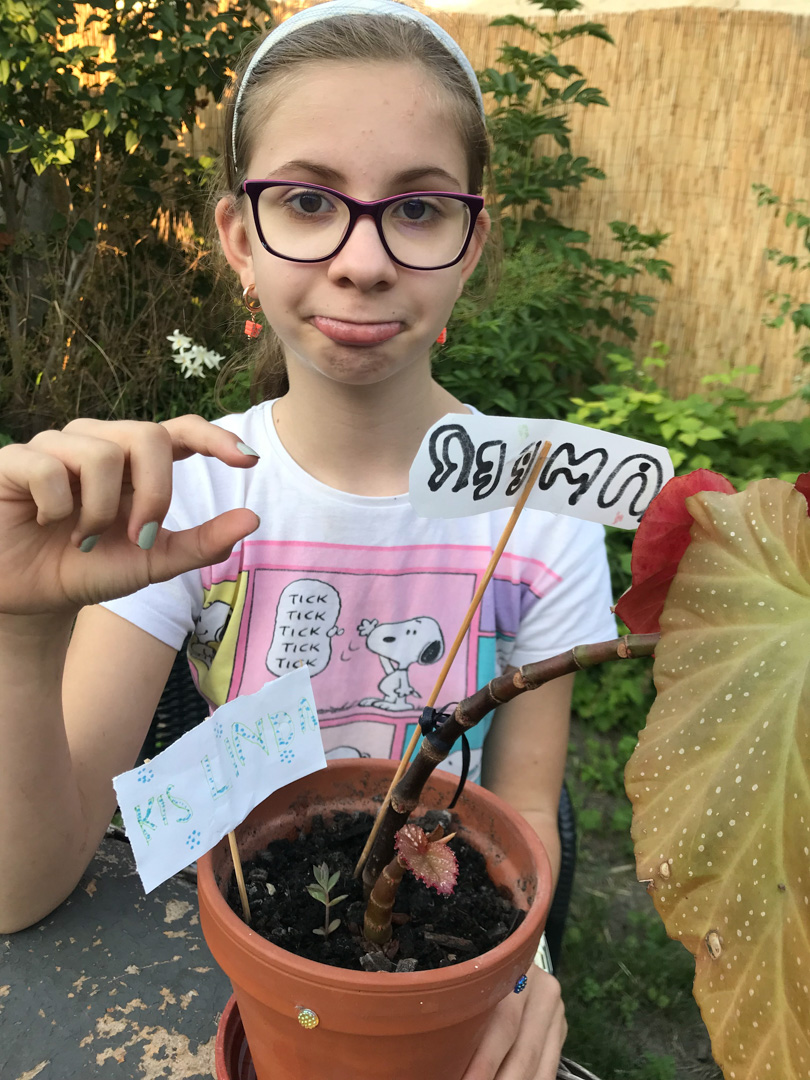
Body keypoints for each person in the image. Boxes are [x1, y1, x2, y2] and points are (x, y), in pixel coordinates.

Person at [0, 1, 616, 1074]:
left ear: (473, 242)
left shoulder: (540, 514)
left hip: (437, 957)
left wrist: (518, 976)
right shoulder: (187, 497)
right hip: (243, 968)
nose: (362, 261)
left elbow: (522, 815)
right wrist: (19, 634)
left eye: (417, 208)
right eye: (306, 200)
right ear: (240, 239)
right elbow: (21, 889)